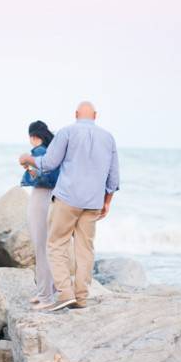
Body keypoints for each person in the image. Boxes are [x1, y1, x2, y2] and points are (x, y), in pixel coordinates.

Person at [19, 101, 120, 311]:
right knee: (85, 250)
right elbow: (114, 176)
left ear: (76, 114)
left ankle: (65, 293)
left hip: (67, 199)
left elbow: (48, 163)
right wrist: (107, 202)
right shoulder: (108, 138)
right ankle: (81, 297)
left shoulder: (67, 132)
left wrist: (29, 158)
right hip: (93, 202)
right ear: (96, 115)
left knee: (56, 244)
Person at [20, 120, 59, 309]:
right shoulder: (51, 151)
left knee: (41, 247)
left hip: (41, 198)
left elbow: (43, 178)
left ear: (33, 136)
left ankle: (46, 297)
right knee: (45, 247)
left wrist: (27, 163)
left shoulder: (38, 152)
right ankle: (47, 291)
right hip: (49, 199)